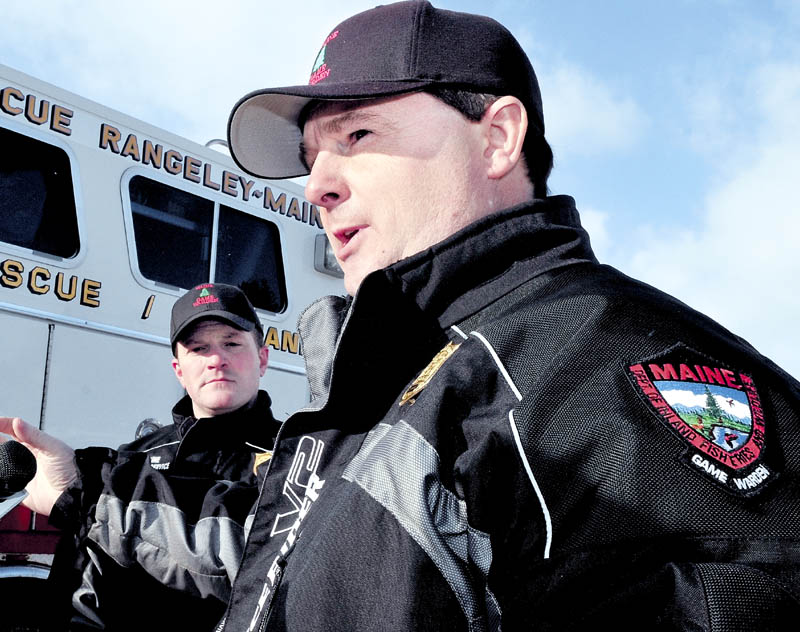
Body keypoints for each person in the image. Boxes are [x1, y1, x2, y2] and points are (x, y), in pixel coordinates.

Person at [214, 2, 800, 630]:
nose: (316, 185)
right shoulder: (409, 377)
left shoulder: (599, 365)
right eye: (310, 158)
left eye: (357, 136)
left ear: (496, 139)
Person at [1, 282, 279, 630]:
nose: (215, 359)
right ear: (179, 370)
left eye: (232, 343)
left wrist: (83, 491)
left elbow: (263, 569)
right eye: (198, 348)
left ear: (263, 358)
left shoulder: (299, 458)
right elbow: (84, 592)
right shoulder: (132, 460)